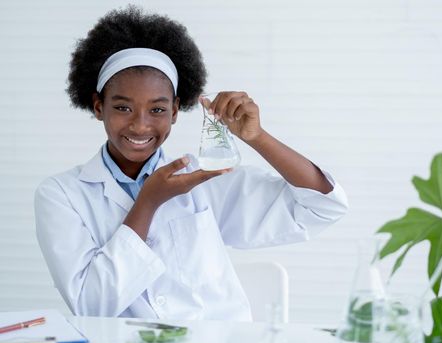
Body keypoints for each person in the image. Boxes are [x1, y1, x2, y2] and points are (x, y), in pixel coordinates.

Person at [34, 5, 348, 320]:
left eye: (157, 110)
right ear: (99, 107)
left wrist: (257, 137)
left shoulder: (206, 176)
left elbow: (322, 207)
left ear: (175, 110)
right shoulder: (61, 194)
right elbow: (91, 306)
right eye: (123, 108)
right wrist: (148, 201)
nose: (140, 126)